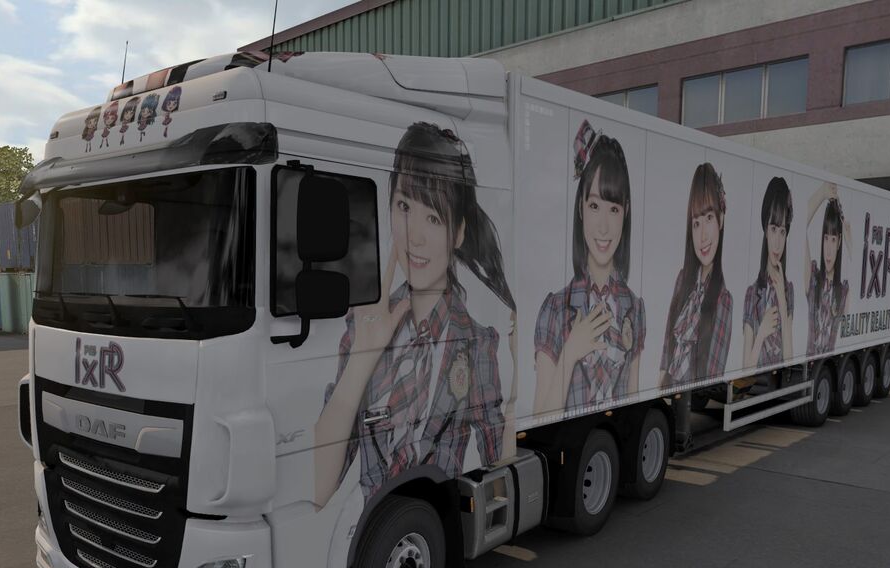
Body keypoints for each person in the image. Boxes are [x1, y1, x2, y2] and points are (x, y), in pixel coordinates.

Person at [313, 122, 516, 508]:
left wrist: (520, 376)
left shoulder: (477, 343)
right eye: (404, 206)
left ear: (458, 233)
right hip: (374, 524)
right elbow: (319, 488)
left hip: (430, 512)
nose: (414, 236)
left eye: (434, 217)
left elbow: (499, 466)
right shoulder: (365, 322)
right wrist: (363, 357)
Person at [533, 121, 643, 414]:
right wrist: (570, 352)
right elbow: (540, 417)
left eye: (614, 209)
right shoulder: (555, 309)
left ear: (625, 213)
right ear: (581, 207)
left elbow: (633, 398)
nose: (604, 227)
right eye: (594, 206)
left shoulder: (634, 308)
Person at [659, 162, 734, 387]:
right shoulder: (683, 280)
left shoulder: (723, 301)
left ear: (721, 219)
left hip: (693, 393)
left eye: (709, 218)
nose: (702, 236)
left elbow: (711, 376)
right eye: (696, 223)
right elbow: (666, 355)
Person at [743, 176, 795, 369]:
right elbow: (745, 368)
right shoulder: (752, 293)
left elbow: (789, 360)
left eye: (782, 231)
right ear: (765, 229)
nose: (778, 243)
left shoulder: (788, 290)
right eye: (773, 229)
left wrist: (782, 299)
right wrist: (761, 333)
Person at [804, 182, 852, 355]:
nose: (829, 250)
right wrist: (822, 193)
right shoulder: (813, 280)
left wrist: (849, 240)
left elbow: (861, 271)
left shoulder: (844, 292)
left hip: (831, 360)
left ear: (839, 243)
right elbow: (799, 223)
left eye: (833, 239)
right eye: (826, 238)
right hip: (810, 359)